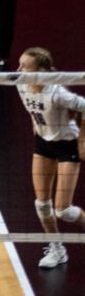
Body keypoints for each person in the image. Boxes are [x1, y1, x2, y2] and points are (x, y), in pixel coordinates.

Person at [17, 47, 85, 269]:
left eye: (25, 66)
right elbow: (32, 112)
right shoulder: (20, 84)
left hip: (67, 145)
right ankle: (57, 249)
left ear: (42, 70)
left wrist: (83, 141)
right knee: (42, 205)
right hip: (44, 144)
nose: (19, 69)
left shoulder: (57, 93)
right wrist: (37, 130)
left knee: (63, 210)